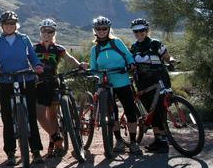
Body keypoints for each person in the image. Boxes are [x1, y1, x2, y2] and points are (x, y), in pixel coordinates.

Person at [0, 11, 45, 166]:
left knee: (31, 115)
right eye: (6, 24)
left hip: (26, 78)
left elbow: (32, 56)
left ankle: (36, 151)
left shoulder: (24, 39)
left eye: (12, 24)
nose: (9, 26)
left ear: (16, 25)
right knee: (7, 118)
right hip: (5, 79)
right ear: (2, 26)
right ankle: (11, 153)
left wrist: (37, 65)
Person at [33, 18, 87, 157]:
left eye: (50, 31)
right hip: (38, 84)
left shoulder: (59, 49)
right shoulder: (34, 48)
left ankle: (57, 145)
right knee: (39, 114)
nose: (46, 33)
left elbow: (69, 59)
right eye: (44, 30)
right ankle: (56, 136)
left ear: (53, 33)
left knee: (52, 116)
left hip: (53, 83)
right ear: (40, 32)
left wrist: (80, 65)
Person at [89, 15, 142, 155]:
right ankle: (118, 141)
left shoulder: (116, 42)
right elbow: (93, 67)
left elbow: (128, 55)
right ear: (95, 30)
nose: (101, 31)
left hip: (122, 80)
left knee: (130, 110)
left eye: (104, 28)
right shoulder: (94, 49)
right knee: (112, 115)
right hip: (106, 84)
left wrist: (130, 64)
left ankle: (133, 142)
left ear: (108, 29)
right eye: (98, 28)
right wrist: (93, 73)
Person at [129, 18, 173, 154]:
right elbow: (131, 64)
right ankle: (158, 140)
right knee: (150, 111)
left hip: (158, 81)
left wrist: (172, 61)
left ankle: (164, 142)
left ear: (147, 30)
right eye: (136, 31)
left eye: (142, 30)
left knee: (160, 109)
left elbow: (167, 57)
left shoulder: (155, 43)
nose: (139, 33)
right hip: (143, 84)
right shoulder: (134, 47)